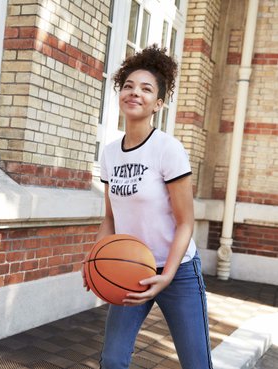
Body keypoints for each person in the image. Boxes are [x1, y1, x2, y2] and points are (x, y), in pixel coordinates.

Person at [83, 44, 213, 369]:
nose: (134, 93)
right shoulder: (110, 153)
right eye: (128, 86)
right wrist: (94, 258)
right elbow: (110, 219)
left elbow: (186, 222)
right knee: (112, 360)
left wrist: (167, 275)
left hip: (177, 270)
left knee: (196, 363)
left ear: (159, 103)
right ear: (119, 93)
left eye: (145, 88)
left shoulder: (168, 150)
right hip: (131, 268)